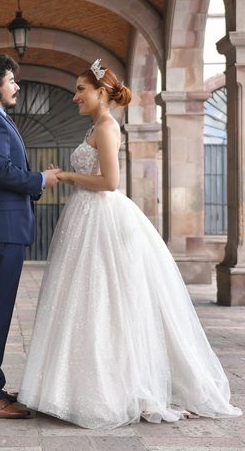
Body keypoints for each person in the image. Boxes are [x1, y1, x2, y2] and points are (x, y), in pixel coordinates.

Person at [17, 59, 242, 429]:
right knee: (82, 301)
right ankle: (70, 387)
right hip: (85, 218)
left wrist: (67, 175)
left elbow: (109, 182)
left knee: (105, 300)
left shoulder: (106, 127)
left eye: (80, 90)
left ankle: (111, 387)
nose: (75, 97)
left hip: (101, 217)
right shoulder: (96, 126)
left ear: (101, 92)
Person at [0, 54, 61, 419]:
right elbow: (1, 171)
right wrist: (41, 180)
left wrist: (36, 179)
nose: (16, 86)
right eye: (11, 80)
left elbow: (2, 171)